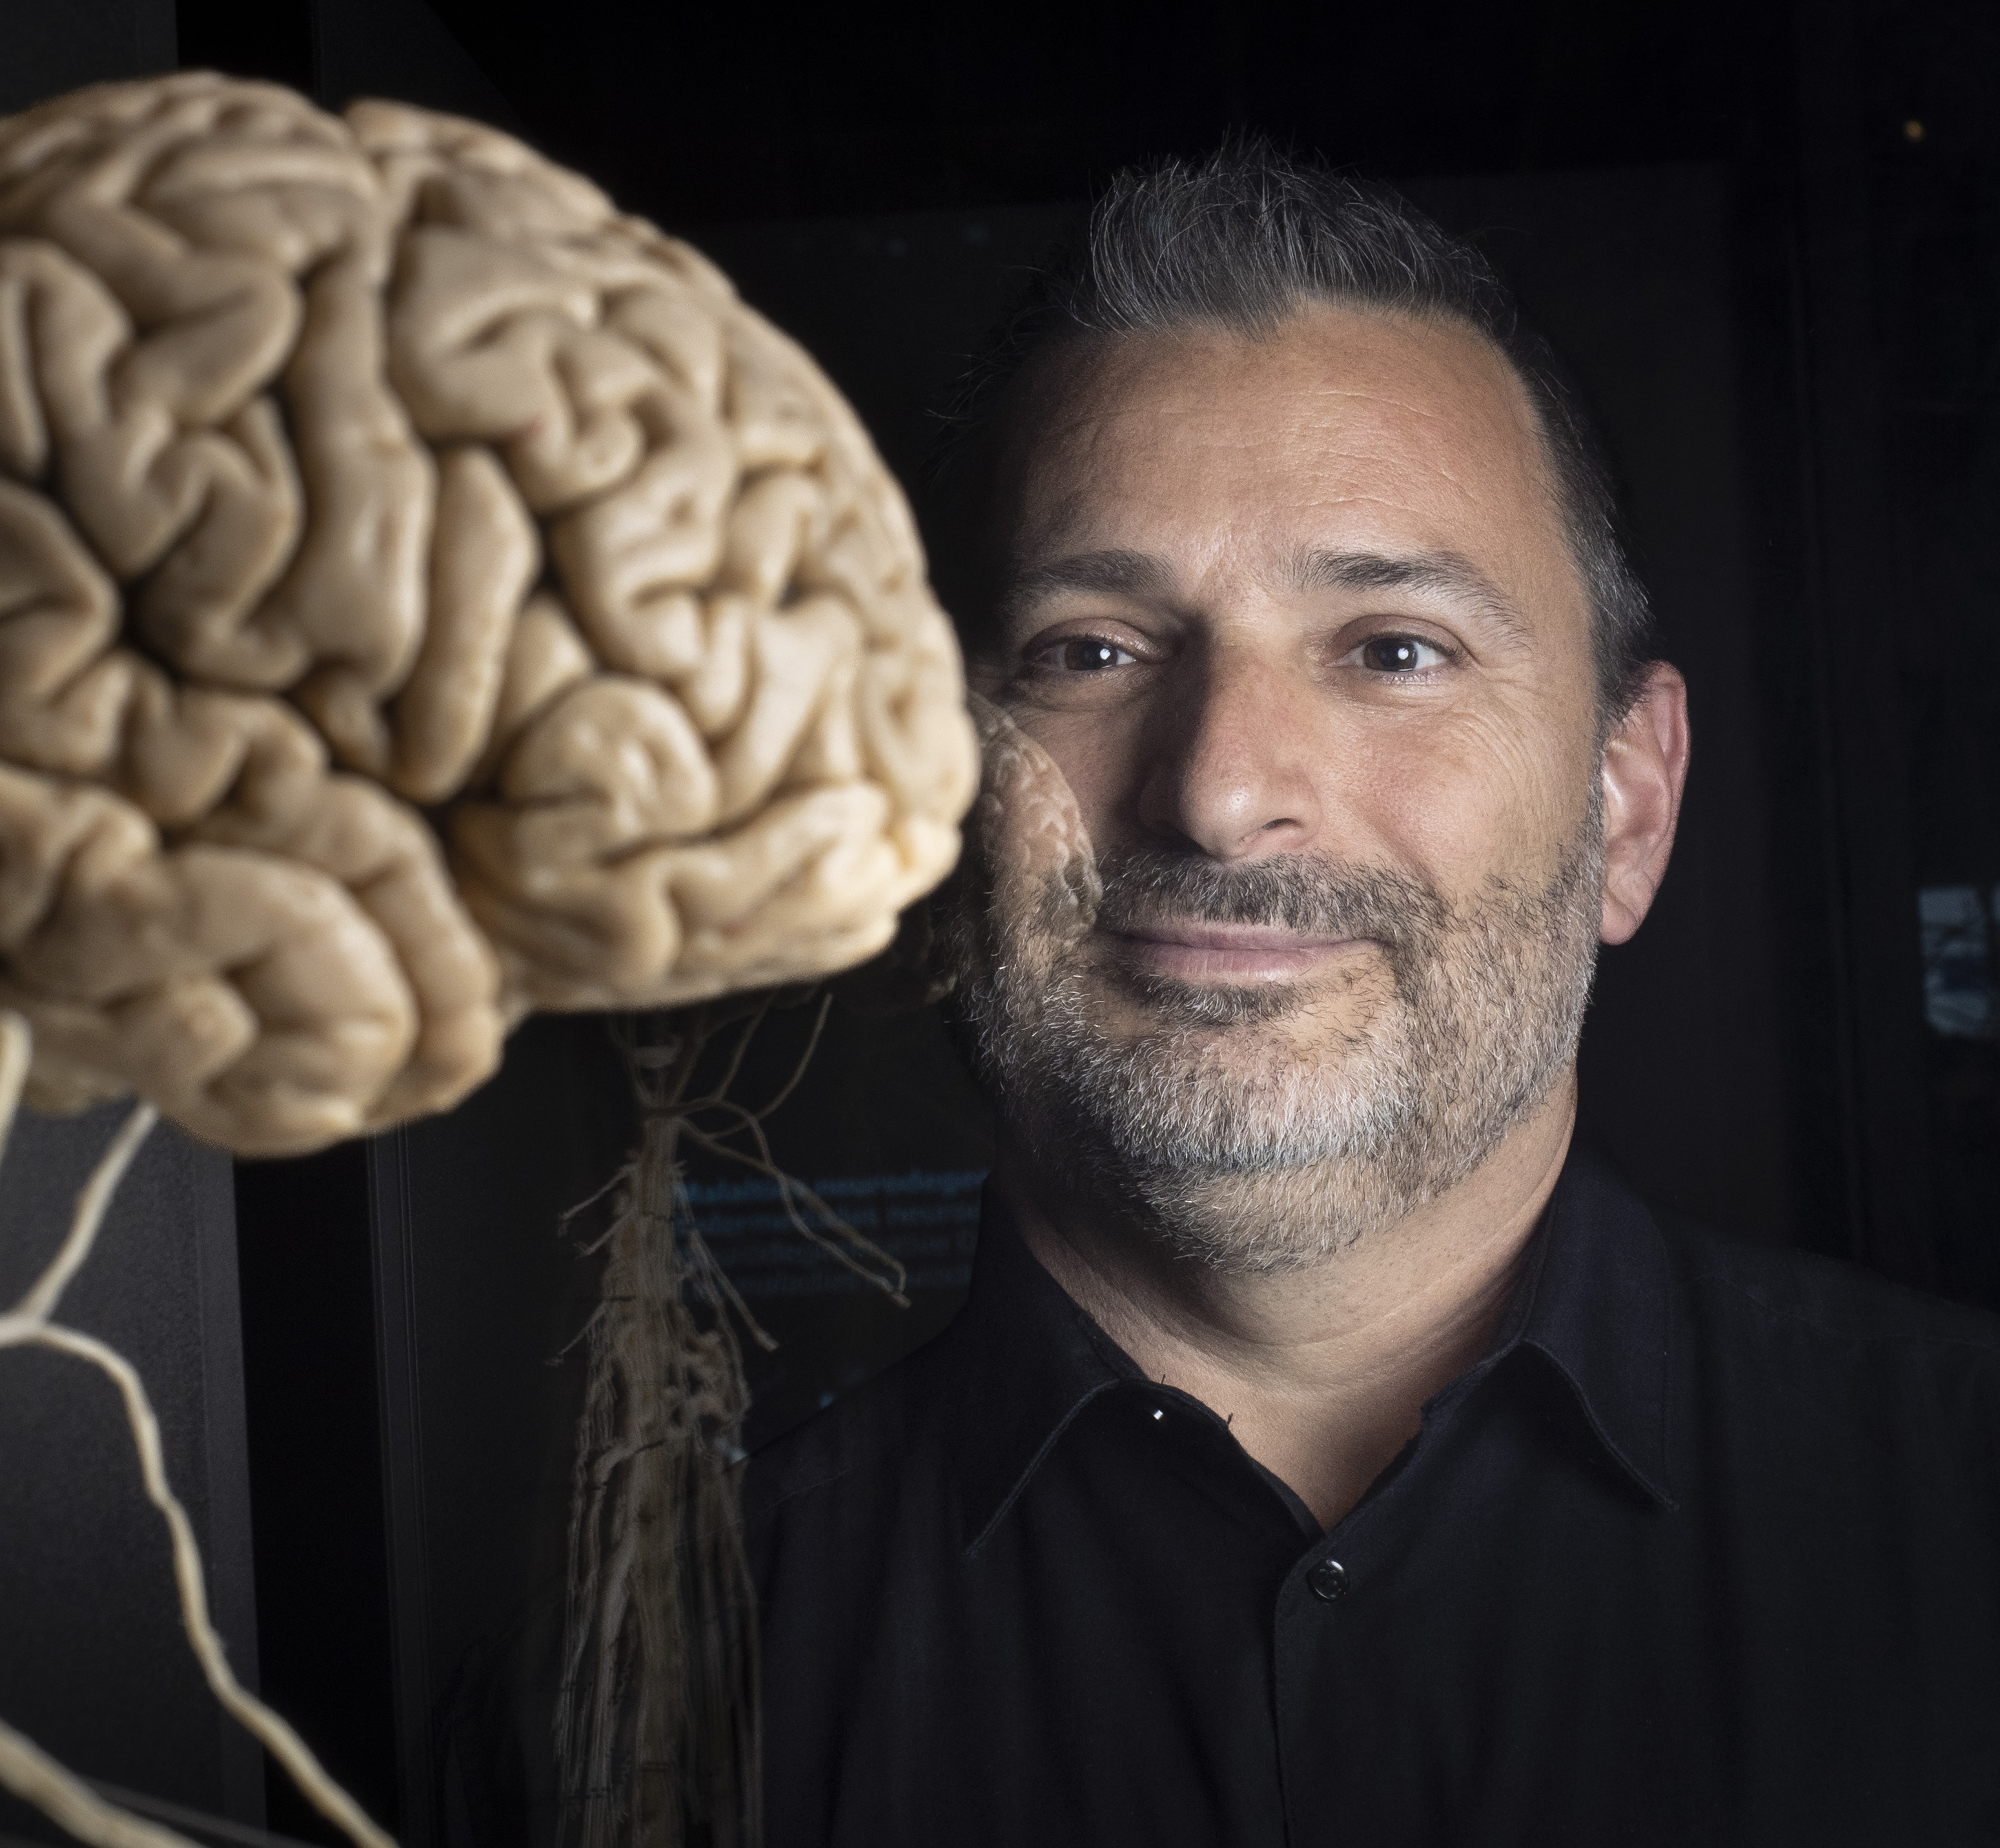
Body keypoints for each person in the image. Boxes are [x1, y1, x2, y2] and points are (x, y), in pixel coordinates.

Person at [744, 142, 2000, 1846]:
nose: (1218, 789)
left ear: (1626, 806)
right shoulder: (653, 1678)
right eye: (1091, 651)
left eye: (1393, 650)